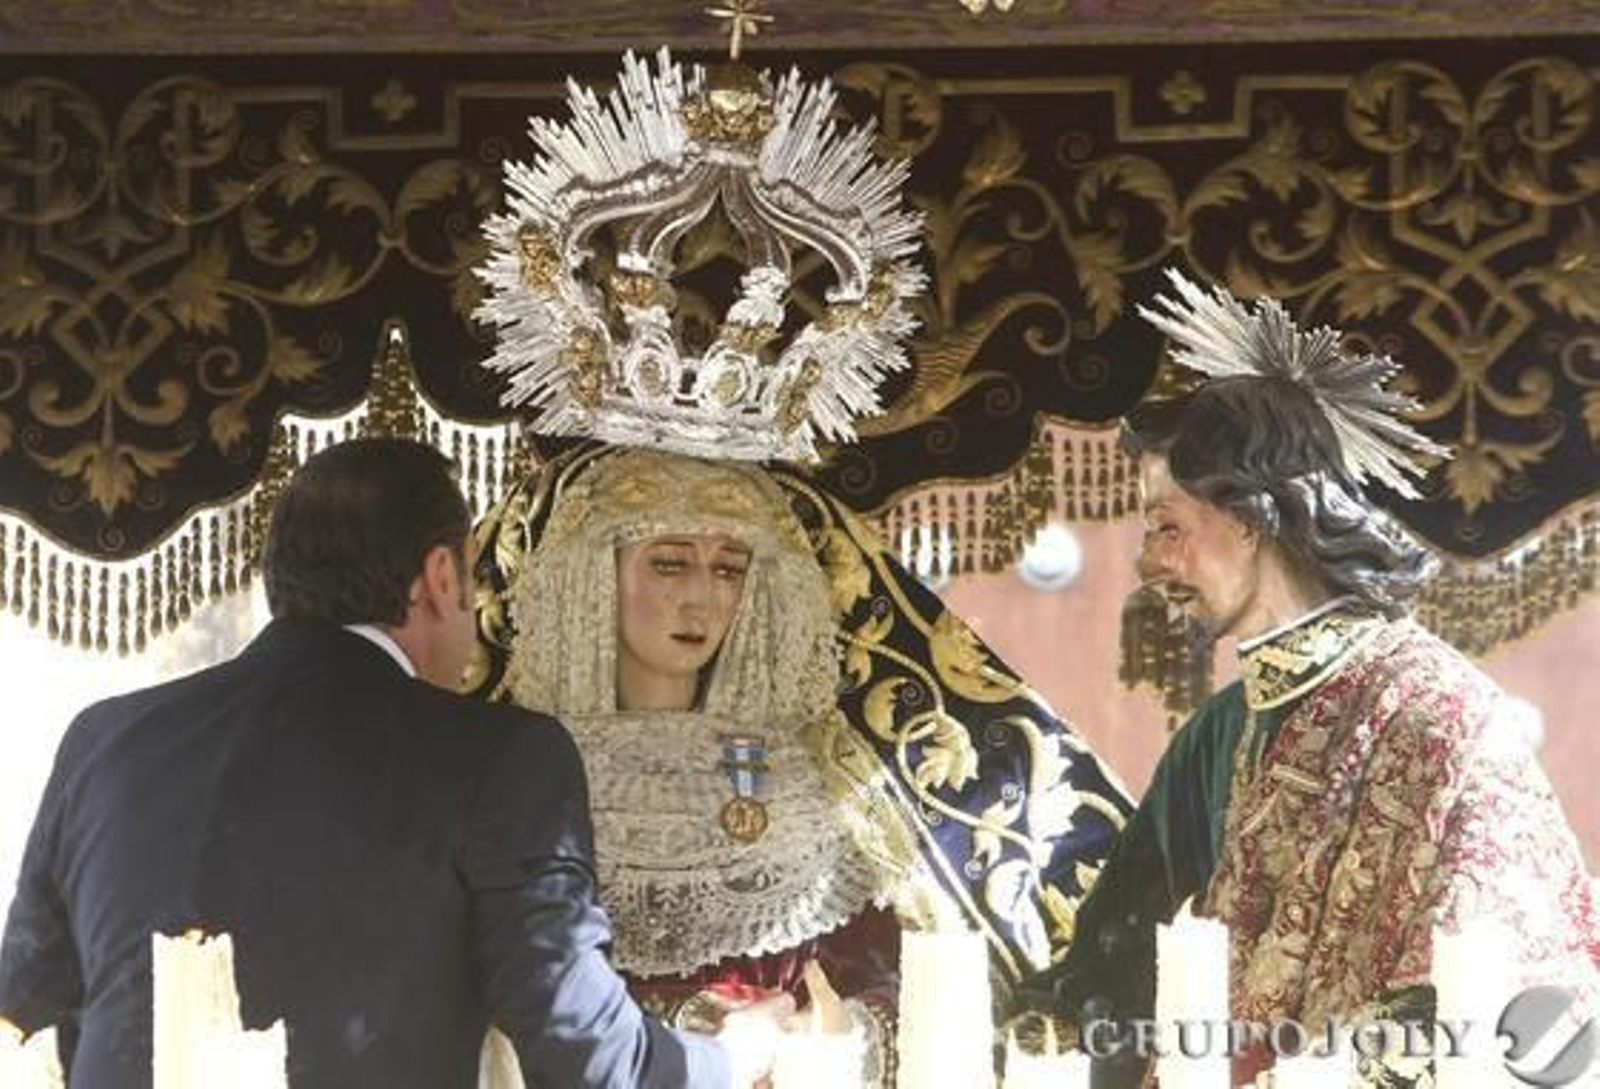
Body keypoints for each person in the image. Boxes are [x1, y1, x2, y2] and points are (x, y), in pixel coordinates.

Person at [0, 437, 786, 1089]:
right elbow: (584, 1051)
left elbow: (24, 1012)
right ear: (440, 579)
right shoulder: (501, 756)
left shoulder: (104, 741)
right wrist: (729, 1057)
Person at [1017, 270, 1600, 1084]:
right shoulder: (1219, 734)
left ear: (1253, 518)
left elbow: (1522, 991)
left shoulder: (1442, 717)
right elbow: (1109, 969)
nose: (1147, 565)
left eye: (1166, 528)